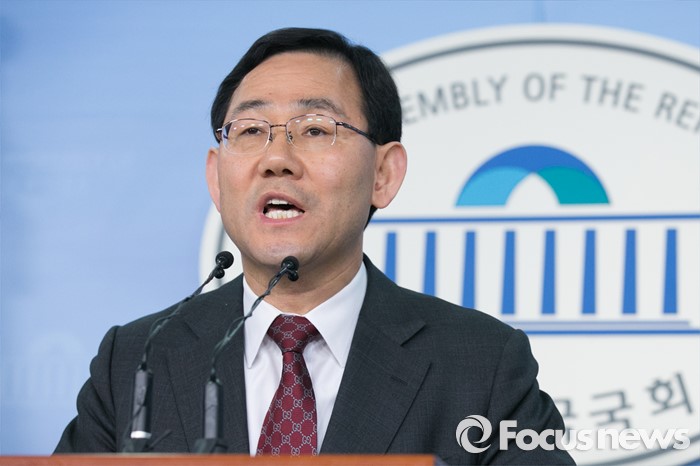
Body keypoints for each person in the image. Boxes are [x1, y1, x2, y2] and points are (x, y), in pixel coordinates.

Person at [55, 27, 575, 464]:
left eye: (315, 129)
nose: (276, 159)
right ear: (215, 178)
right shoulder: (138, 359)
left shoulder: (482, 366)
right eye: (250, 130)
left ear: (383, 174)